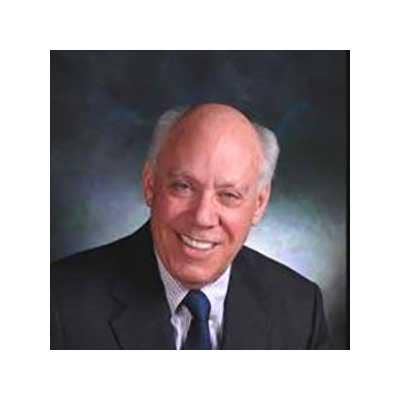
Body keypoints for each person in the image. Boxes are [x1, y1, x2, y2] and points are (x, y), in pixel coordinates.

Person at [51, 103, 330, 350]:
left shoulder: (301, 310)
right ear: (150, 185)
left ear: (259, 204)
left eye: (229, 195)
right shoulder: (59, 303)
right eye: (183, 187)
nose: (202, 217)